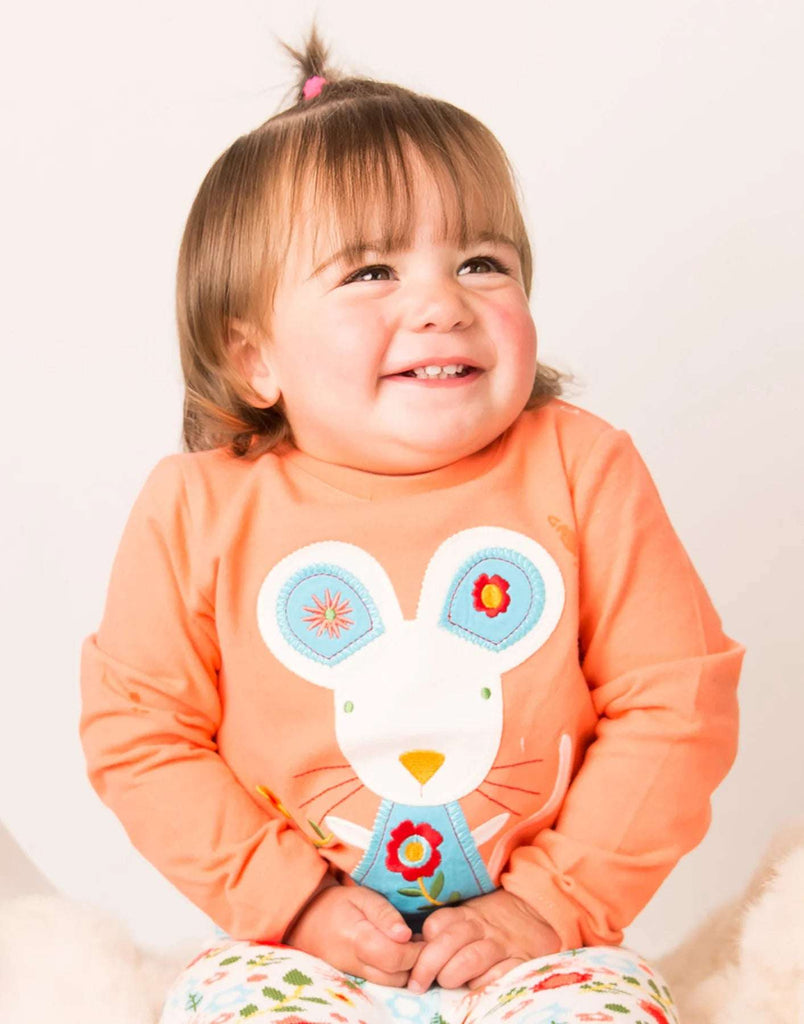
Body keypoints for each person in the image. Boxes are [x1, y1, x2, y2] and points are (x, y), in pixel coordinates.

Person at [79, 22, 744, 1024]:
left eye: (481, 262)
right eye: (370, 272)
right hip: (296, 949)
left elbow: (676, 702)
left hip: (544, 948)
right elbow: (141, 733)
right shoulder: (198, 508)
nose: (442, 303)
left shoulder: (582, 466)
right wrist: (292, 902)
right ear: (254, 355)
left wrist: (548, 903)